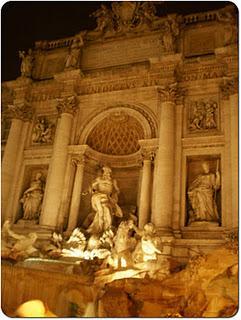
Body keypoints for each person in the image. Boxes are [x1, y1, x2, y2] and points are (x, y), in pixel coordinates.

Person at [86, 166, 123, 234]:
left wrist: (114, 195)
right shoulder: (99, 179)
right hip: (99, 196)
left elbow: (117, 190)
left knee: (106, 209)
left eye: (109, 172)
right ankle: (101, 227)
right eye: (106, 172)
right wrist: (93, 191)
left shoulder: (113, 181)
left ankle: (104, 228)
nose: (108, 174)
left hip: (108, 198)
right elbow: (92, 187)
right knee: (103, 209)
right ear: (103, 172)